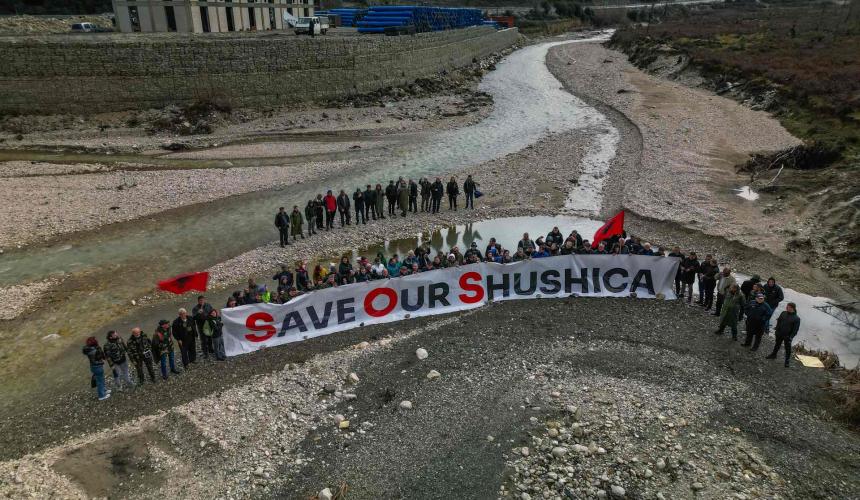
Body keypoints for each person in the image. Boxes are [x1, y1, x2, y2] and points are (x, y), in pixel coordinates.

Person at [767, 302, 800, 367]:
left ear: (792, 308)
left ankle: (787, 361)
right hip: (779, 333)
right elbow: (779, 321)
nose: (786, 308)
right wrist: (776, 329)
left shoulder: (796, 318)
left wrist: (791, 337)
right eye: (786, 307)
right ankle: (773, 355)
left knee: (787, 349)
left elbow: (795, 330)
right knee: (777, 345)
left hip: (787, 336)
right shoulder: (783, 313)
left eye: (788, 307)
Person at [192, 295, 214, 360]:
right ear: (198, 301)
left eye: (203, 300)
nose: (202, 301)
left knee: (210, 337)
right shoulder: (195, 308)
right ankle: (205, 353)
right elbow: (194, 318)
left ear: (204, 300)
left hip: (208, 324)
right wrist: (198, 313)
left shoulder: (208, 305)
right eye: (200, 300)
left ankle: (210, 349)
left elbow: (212, 312)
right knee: (203, 339)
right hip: (201, 326)